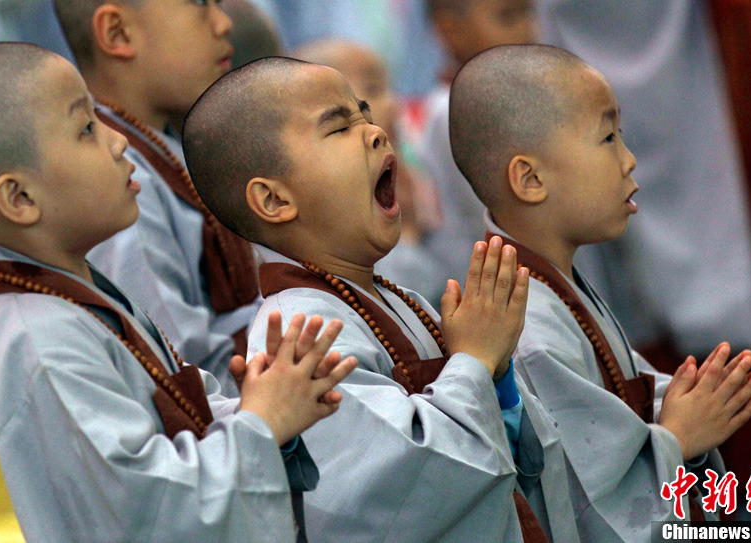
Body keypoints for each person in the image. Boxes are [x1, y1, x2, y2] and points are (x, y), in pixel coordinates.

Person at [0, 42, 357, 542]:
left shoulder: (79, 297)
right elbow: (142, 510)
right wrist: (261, 423)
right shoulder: (41, 345)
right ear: (20, 197)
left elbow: (179, 421)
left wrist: (267, 401)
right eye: (87, 129)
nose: (119, 142)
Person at [182, 56, 580, 543]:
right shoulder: (301, 336)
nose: (374, 132)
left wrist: (496, 375)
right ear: (274, 200)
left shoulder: (402, 301)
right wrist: (476, 359)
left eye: (365, 114)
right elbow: (404, 489)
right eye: (339, 127)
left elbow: (513, 453)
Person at [448, 44, 751, 541]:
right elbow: (585, 501)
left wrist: (684, 399)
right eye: (608, 138)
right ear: (530, 179)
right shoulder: (524, 327)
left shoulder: (554, 287)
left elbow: (618, 409)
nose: (629, 160)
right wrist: (678, 436)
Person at [52, 0, 257, 392]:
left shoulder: (166, 144)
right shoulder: (118, 179)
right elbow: (179, 371)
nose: (223, 23)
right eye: (200, 4)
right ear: (118, 33)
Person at [292, 39, 446, 304]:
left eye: (389, 87)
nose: (392, 104)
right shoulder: (336, 205)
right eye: (373, 89)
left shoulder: (413, 173)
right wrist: (405, 233)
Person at [416, 0, 538, 290]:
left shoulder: (525, 100)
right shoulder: (453, 110)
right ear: (451, 30)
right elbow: (513, 220)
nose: (528, 31)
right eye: (508, 17)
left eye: (529, 14)